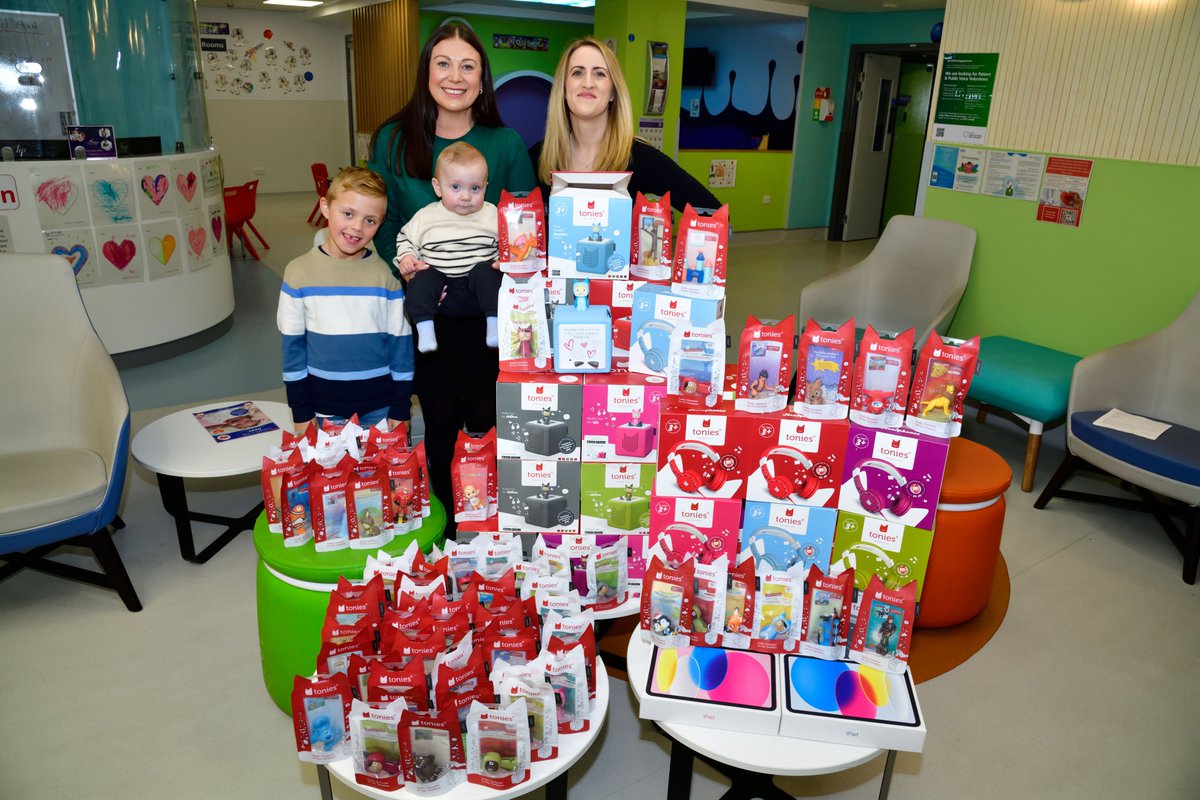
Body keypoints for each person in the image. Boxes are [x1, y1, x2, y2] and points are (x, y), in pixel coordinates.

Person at [368, 21, 536, 535]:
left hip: (488, 311)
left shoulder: (504, 143)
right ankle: (442, 522)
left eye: (468, 66)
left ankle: (489, 526)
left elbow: (526, 223)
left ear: (483, 80)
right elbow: (385, 221)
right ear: (426, 73)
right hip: (428, 315)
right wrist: (408, 265)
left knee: (487, 426)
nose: (455, 76)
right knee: (438, 427)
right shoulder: (395, 140)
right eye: (443, 63)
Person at [277, 167, 413, 435]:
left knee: (384, 479)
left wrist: (400, 408)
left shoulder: (385, 275)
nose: (357, 228)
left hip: (382, 411)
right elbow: (292, 350)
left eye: (370, 220)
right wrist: (301, 412)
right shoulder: (298, 273)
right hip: (322, 413)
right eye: (348, 214)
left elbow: (401, 348)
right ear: (326, 207)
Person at [530, 37, 721, 213]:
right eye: (577, 73)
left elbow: (711, 211)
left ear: (613, 92)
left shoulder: (638, 156)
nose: (588, 83)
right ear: (563, 89)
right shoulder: (539, 157)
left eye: (599, 74)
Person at [394, 142, 500, 354]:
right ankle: (425, 332)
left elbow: (510, 243)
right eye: (455, 187)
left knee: (489, 273)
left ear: (486, 187)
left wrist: (504, 261)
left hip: (477, 291)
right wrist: (407, 257)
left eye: (475, 188)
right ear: (437, 187)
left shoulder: (492, 215)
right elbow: (405, 238)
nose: (466, 196)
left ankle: (495, 328)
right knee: (421, 279)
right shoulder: (426, 216)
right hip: (440, 290)